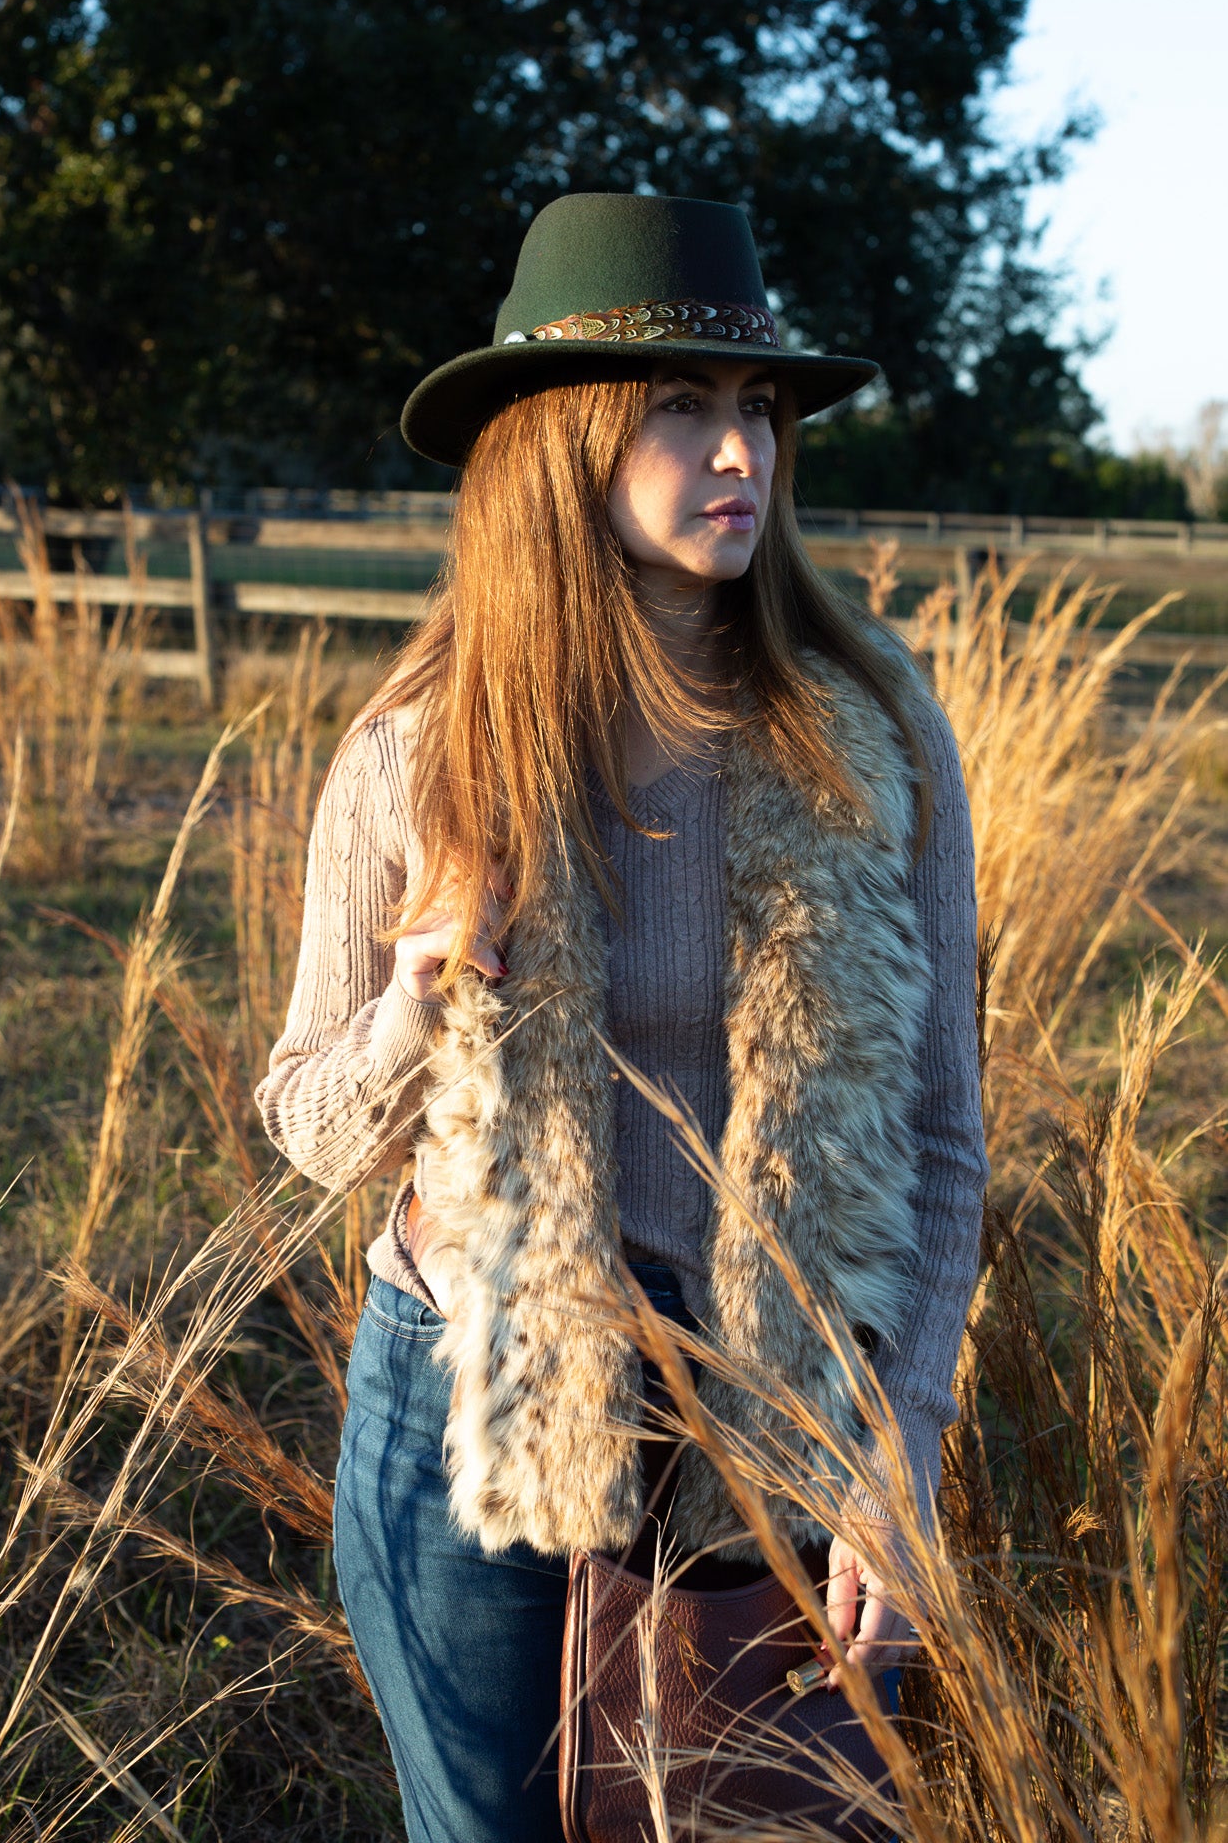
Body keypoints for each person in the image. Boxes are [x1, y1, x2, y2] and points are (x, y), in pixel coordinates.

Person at [255, 193, 988, 1843]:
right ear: (557, 445)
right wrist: (419, 992)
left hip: (777, 1399)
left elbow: (945, 1131)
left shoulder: (870, 734)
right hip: (472, 1391)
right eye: (679, 406)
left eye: (757, 411)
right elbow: (311, 1131)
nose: (738, 452)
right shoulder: (421, 752)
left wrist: (904, 1440)